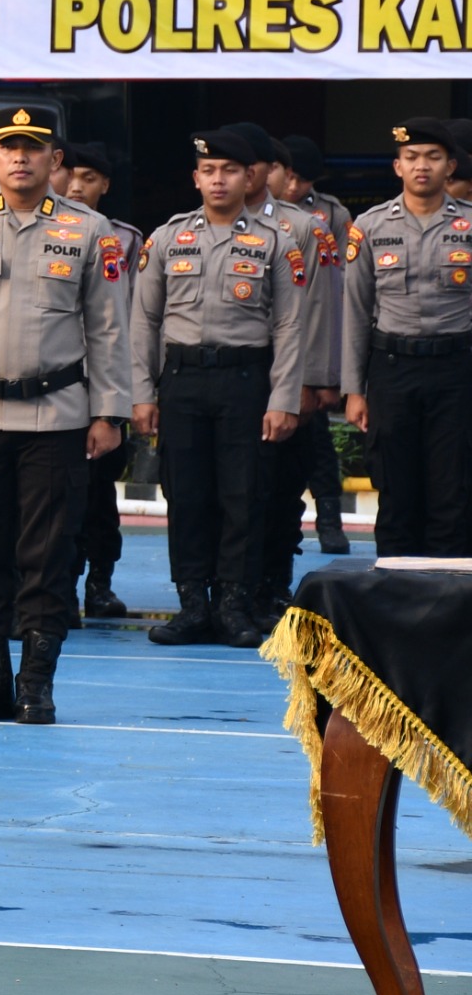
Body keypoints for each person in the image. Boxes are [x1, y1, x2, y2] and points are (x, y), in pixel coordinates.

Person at [0, 109, 129, 727]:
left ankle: (37, 681)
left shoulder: (90, 231)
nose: (20, 158)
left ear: (54, 161)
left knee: (48, 555)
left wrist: (109, 410)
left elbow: (109, 328)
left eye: (33, 149)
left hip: (58, 415)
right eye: (8, 148)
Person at [132, 130, 303, 650]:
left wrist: (283, 399)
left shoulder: (276, 241)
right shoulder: (166, 238)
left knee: (243, 495)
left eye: (229, 170)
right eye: (209, 171)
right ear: (196, 178)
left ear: (248, 177)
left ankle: (234, 605)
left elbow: (290, 327)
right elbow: (144, 320)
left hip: (246, 380)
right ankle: (192, 604)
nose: (219, 179)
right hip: (182, 380)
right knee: (186, 494)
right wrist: (142, 391)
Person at [219, 120, 338, 626]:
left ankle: (270, 587)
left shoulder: (302, 225)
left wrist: (314, 381)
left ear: (271, 170)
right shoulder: (201, 224)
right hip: (228, 376)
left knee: (279, 489)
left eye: (250, 165)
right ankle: (221, 593)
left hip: (286, 376)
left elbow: (323, 308)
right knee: (224, 492)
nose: (237, 176)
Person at [342, 120, 472, 558]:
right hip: (392, 370)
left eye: (433, 158)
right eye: (412, 158)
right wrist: (353, 391)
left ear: (450, 166)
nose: (422, 167)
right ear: (397, 167)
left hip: (456, 369)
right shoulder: (370, 226)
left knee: (452, 487)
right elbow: (356, 313)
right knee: (395, 486)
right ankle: (395, 595)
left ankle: (448, 602)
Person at [57, 141, 143, 617]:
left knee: (100, 496)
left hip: (104, 385)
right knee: (58, 497)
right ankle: (61, 586)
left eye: (89, 177)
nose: (76, 185)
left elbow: (129, 320)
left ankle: (100, 584)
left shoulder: (126, 241)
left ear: (105, 185)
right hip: (56, 387)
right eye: (70, 173)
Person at [275, 134, 353, 556]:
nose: (292, 187)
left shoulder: (331, 214)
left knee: (318, 445)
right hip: (272, 347)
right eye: (287, 176)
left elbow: (338, 282)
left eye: (301, 180)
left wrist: (328, 370)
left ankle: (329, 522)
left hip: (313, 339)